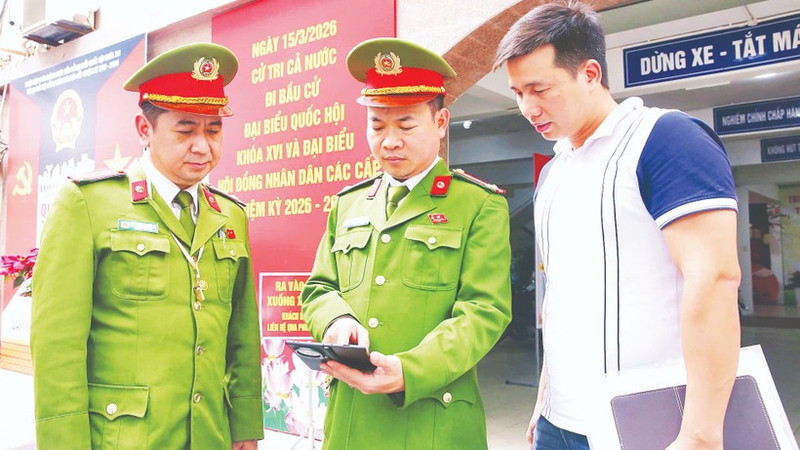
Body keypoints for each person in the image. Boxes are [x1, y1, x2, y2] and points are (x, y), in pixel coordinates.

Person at [494, 2, 741, 449]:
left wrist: (701, 433)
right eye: (517, 92)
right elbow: (560, 301)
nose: (527, 107)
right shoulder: (554, 172)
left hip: (648, 421)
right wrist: (544, 401)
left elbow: (715, 279)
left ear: (590, 73)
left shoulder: (665, 138)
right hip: (557, 422)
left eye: (539, 88)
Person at [30, 42, 263, 449]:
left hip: (210, 434)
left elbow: (241, 335)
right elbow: (58, 350)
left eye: (213, 129)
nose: (203, 146)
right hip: (125, 438)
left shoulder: (230, 215)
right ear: (144, 129)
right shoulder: (88, 204)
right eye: (186, 130)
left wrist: (244, 426)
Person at [300, 37, 512, 449]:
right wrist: (336, 320)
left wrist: (411, 370)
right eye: (377, 125)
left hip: (433, 418)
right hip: (351, 421)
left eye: (406, 124)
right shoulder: (349, 204)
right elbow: (319, 288)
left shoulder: (477, 205)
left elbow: (484, 311)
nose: (389, 140)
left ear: (440, 122)